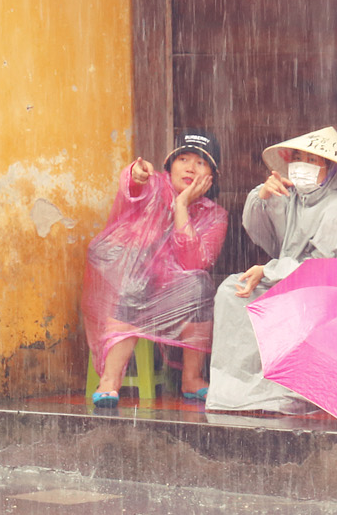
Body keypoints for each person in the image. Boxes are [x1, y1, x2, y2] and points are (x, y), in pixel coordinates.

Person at [206, 126, 337, 414]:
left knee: (292, 306)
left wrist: (269, 272)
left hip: (333, 295)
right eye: (299, 158)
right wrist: (263, 197)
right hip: (291, 279)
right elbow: (265, 235)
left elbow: (328, 271)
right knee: (232, 292)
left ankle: (291, 389)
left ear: (331, 169)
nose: (303, 165)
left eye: (313, 160)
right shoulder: (295, 200)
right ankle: (240, 389)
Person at [81, 129, 229, 406]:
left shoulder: (216, 216)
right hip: (127, 284)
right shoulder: (154, 186)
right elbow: (132, 187)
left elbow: (193, 263)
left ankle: (191, 378)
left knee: (200, 284)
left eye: (200, 162)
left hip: (174, 296)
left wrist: (181, 205)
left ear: (212, 175)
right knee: (136, 278)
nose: (190, 168)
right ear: (169, 165)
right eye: (183, 159)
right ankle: (110, 381)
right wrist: (134, 174)